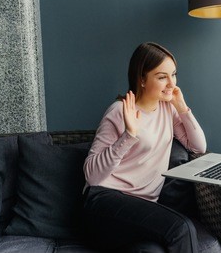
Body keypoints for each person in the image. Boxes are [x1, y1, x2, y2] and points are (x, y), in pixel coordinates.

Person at [82, 42, 207, 253]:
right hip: (103, 203)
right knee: (182, 228)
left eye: (173, 74)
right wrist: (129, 135)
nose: (171, 83)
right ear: (142, 79)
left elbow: (198, 147)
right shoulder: (119, 111)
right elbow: (92, 175)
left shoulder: (168, 108)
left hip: (141, 211)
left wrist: (182, 107)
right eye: (161, 77)